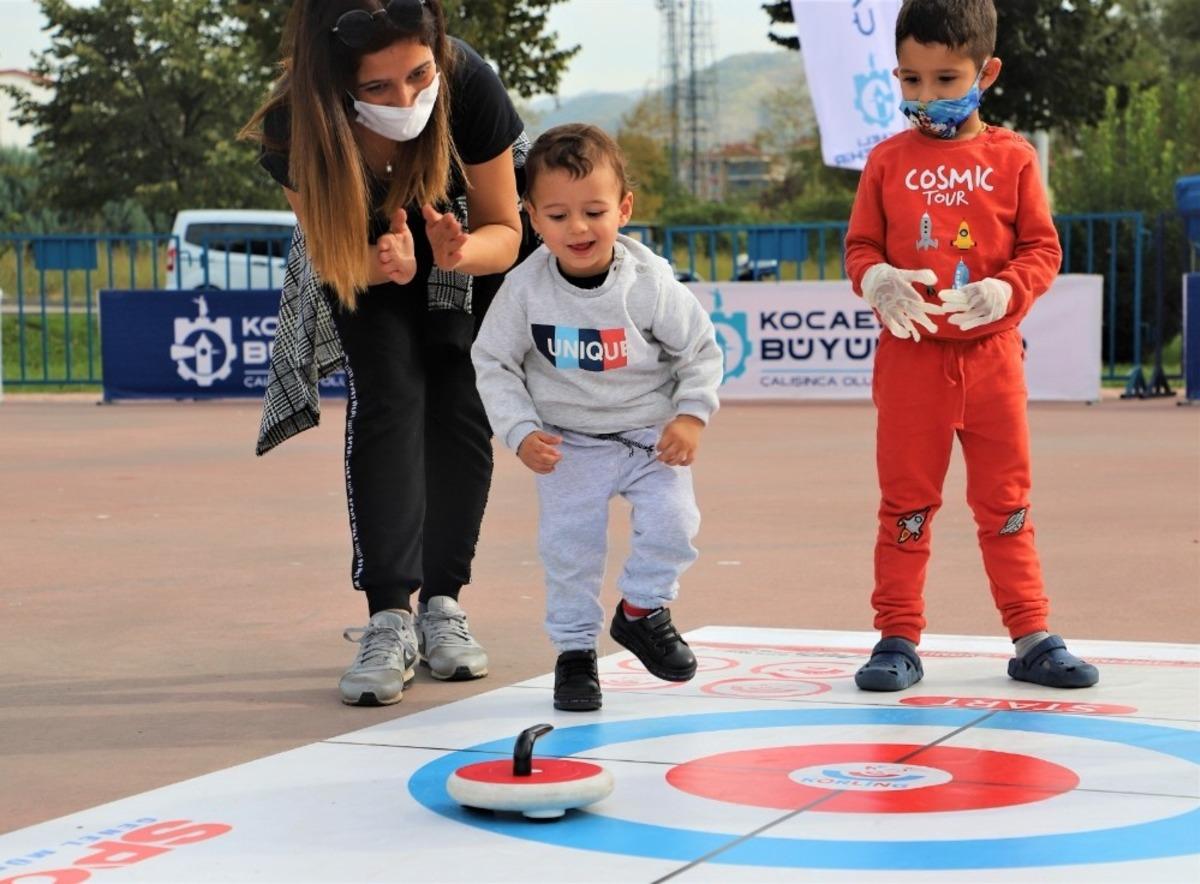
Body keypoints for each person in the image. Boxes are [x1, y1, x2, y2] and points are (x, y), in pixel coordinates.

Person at [242, 0, 527, 706]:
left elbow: (506, 229)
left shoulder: (469, 85)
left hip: (470, 255)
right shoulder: (295, 126)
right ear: (340, 85)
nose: (407, 99)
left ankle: (444, 607)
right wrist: (387, 264)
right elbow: (332, 257)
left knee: (461, 407)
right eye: (379, 88)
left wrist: (457, 253)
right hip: (368, 262)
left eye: (418, 76)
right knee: (390, 400)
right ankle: (389, 616)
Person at [843, 0, 1099, 691]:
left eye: (947, 79)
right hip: (910, 363)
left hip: (992, 362)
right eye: (910, 79)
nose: (926, 96)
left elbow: (1043, 247)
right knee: (907, 505)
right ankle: (896, 638)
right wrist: (876, 278)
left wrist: (1007, 292)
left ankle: (1033, 635)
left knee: (1007, 503)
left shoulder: (1012, 157)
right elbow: (860, 245)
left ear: (986, 72)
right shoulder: (886, 161)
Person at [471, 124, 723, 711]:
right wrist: (521, 430)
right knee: (570, 553)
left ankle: (642, 610)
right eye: (557, 215)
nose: (578, 228)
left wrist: (691, 416)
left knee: (675, 521)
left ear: (624, 208)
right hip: (568, 446)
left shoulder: (649, 285)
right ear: (532, 217)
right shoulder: (523, 290)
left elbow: (701, 350)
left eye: (593, 211)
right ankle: (575, 655)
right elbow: (493, 361)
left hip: (646, 439)